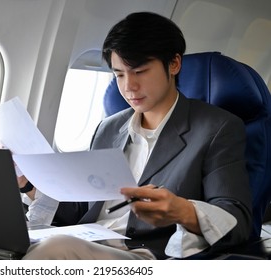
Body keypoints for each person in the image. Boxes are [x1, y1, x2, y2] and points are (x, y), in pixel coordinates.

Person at [19, 11, 253, 259]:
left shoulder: (217, 129)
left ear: (174, 64)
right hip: (89, 243)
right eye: (119, 75)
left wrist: (183, 211)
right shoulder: (108, 128)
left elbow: (237, 221)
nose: (128, 86)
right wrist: (28, 184)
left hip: (145, 254)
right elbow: (80, 210)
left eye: (139, 71)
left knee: (58, 249)